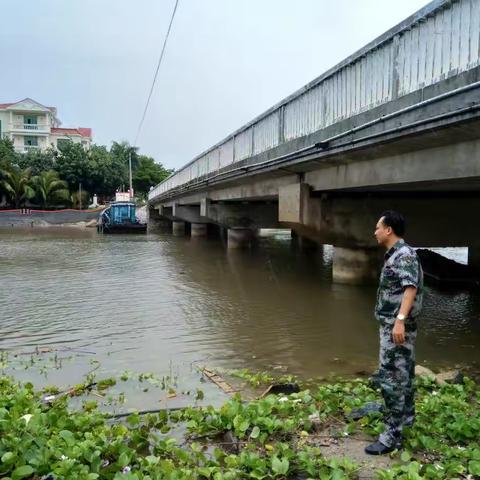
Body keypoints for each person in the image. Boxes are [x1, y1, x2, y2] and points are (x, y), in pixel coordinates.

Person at [365, 210, 423, 455]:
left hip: (396, 329)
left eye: (378, 227)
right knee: (404, 375)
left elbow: (410, 287)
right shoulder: (398, 254)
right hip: (395, 326)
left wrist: (399, 321)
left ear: (388, 230)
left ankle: (391, 437)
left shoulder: (403, 254)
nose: (375, 231)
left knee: (391, 380)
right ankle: (406, 419)